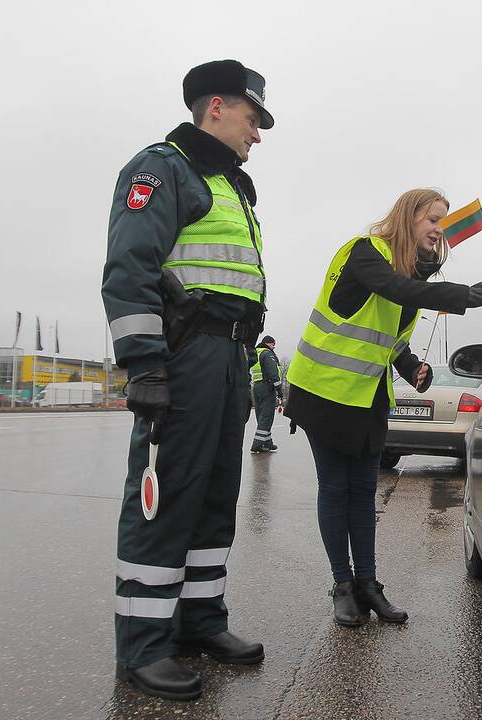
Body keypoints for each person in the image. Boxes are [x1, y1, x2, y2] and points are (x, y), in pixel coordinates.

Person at [102, 59, 274, 701]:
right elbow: (130, 268)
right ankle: (144, 648)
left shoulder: (229, 184)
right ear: (218, 107)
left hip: (230, 359)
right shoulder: (163, 167)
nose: (257, 134)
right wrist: (144, 363)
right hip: (186, 355)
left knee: (214, 497)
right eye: (253, 119)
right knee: (166, 495)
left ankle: (200, 622)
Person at [284, 188, 482, 626]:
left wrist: (411, 367)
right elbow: (393, 288)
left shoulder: (412, 277)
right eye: (432, 220)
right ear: (408, 218)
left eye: (443, 222)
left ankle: (368, 584)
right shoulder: (365, 253)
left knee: (364, 493)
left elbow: (389, 336)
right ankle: (342, 586)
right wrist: (471, 293)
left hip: (367, 395)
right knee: (336, 489)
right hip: (325, 392)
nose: (438, 230)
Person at [250, 334, 286, 452]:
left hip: (256, 387)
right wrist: (279, 389)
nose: (274, 347)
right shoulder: (267, 353)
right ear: (267, 343)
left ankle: (267, 442)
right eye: (273, 344)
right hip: (267, 387)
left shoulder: (255, 352)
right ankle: (257, 443)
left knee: (261, 416)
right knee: (266, 416)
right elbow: (273, 372)